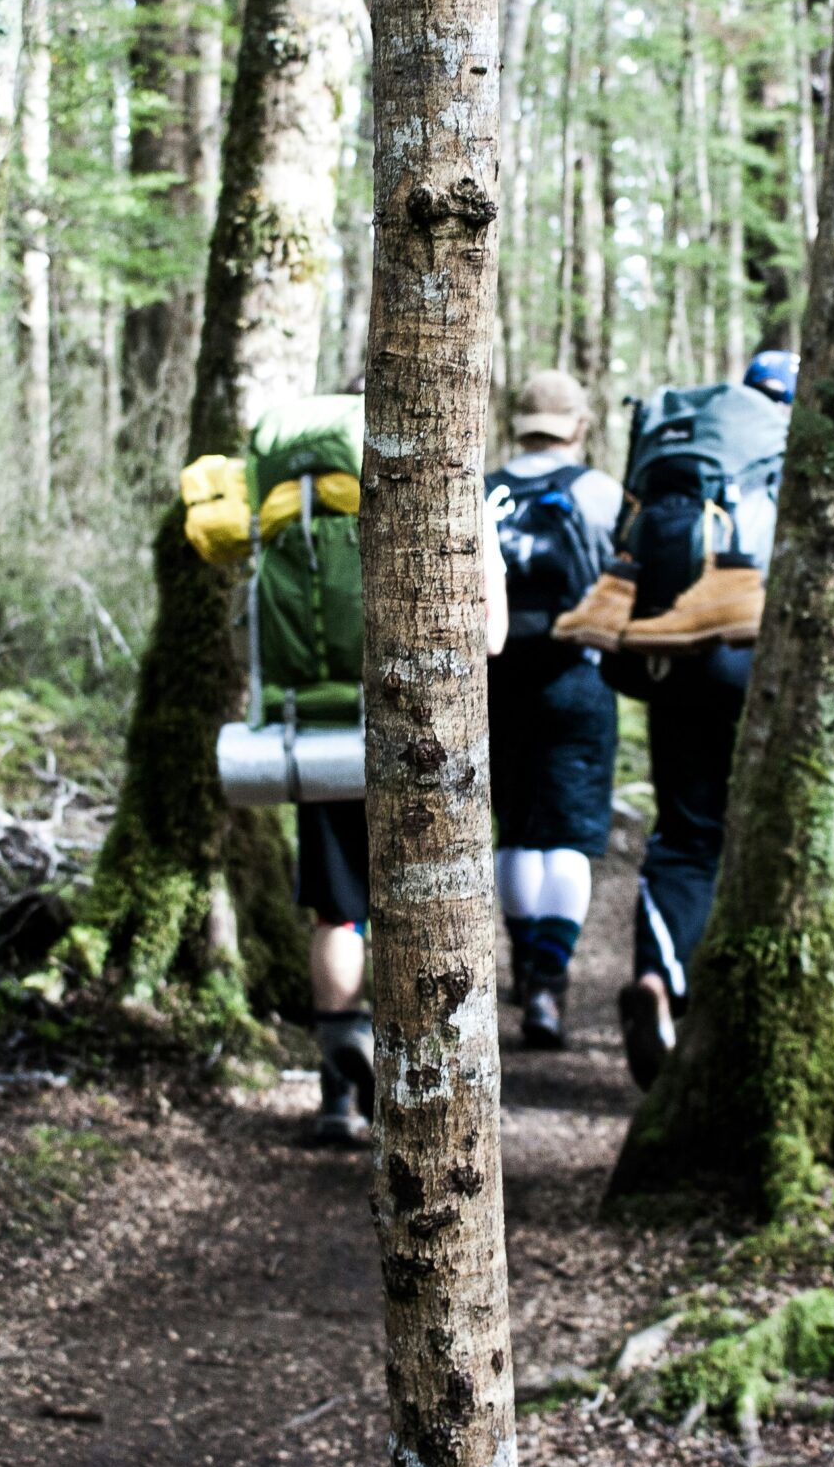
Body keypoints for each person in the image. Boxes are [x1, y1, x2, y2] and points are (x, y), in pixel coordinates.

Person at [554, 350, 796, 1088]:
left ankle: (659, 981)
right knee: (767, 832)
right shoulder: (786, 457)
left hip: (669, 650)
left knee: (686, 830)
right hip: (749, 654)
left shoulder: (686, 443)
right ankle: (740, 1020)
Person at [290, 380, 508, 1145]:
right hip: (426, 733)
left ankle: (335, 1087)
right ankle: (425, 1089)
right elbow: (493, 636)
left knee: (339, 908)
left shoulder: (302, 494)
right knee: (427, 904)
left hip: (318, 726)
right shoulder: (453, 481)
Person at [485, 371, 625, 1050]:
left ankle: (521, 961)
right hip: (578, 676)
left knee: (516, 825)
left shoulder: (484, 488)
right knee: (567, 832)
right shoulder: (599, 493)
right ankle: (548, 981)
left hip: (496, 677)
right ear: (578, 424)